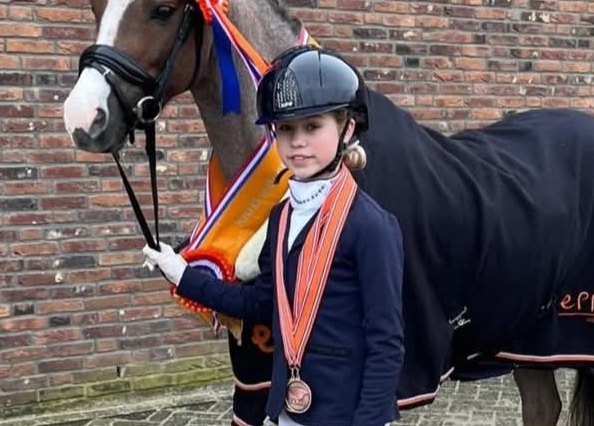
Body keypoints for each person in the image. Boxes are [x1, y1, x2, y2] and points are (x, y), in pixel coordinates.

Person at [142, 46, 405, 426]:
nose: (297, 141)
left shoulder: (372, 226)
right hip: (285, 408)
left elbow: (386, 341)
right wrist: (182, 274)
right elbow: (260, 303)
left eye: (312, 127)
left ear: (346, 128)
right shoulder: (281, 217)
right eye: (285, 129)